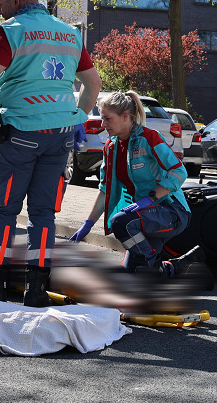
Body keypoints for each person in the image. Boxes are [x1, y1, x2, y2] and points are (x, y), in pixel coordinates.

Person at [0, 0, 102, 305]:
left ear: (15, 0)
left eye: (1, 3)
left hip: (22, 132)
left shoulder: (13, 31)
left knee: (4, 209)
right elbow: (93, 83)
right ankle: (37, 290)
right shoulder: (70, 33)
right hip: (61, 136)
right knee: (43, 213)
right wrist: (79, 117)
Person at [69, 90, 196, 278]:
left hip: (171, 212)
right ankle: (177, 265)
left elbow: (179, 172)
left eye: (107, 119)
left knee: (120, 222)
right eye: (102, 119)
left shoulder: (149, 138)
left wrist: (150, 199)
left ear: (125, 116)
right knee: (131, 276)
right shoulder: (111, 147)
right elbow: (105, 190)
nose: (103, 125)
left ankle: (152, 266)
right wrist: (87, 225)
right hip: (143, 217)